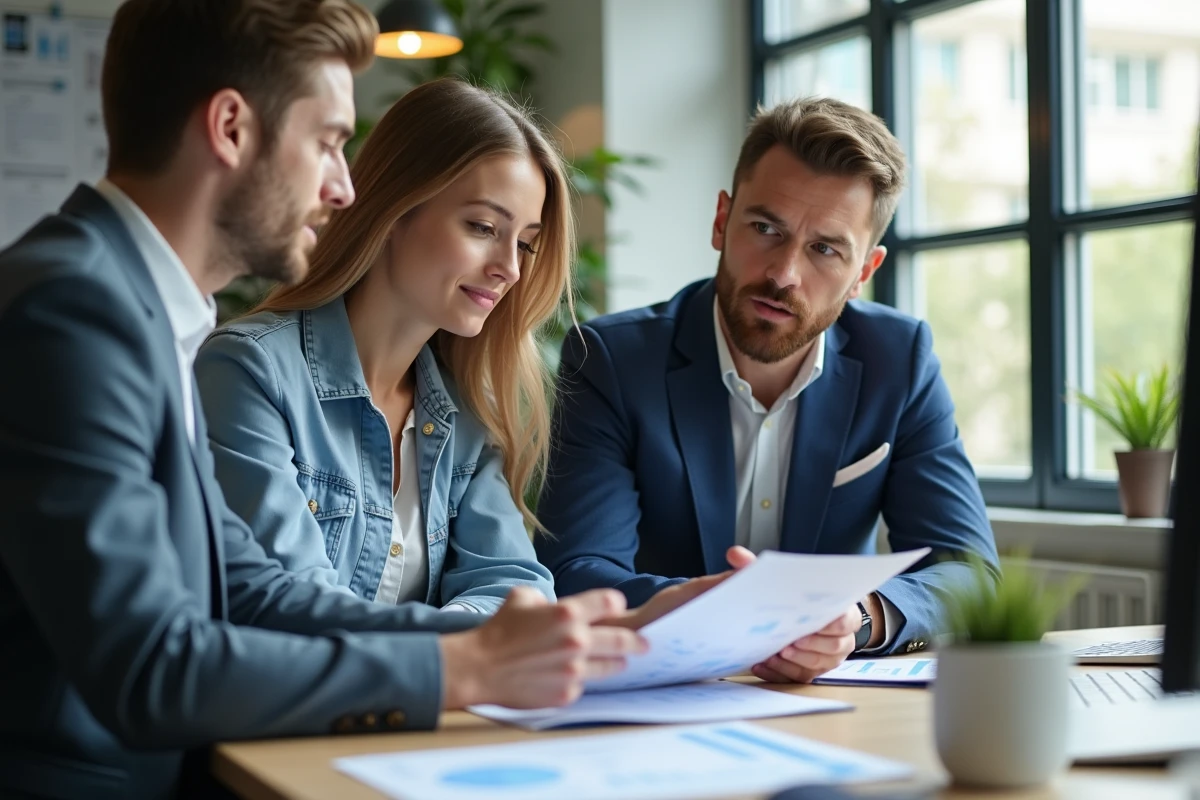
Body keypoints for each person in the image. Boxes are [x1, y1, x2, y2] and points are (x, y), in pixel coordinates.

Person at [0, 4, 654, 797]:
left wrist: (536, 643)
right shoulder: (75, 311)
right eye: (329, 142)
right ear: (231, 128)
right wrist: (464, 666)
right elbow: (151, 668)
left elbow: (255, 592)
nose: (345, 187)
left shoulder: (137, 311)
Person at [535, 96, 1000, 682]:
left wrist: (857, 618)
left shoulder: (899, 360)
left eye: (825, 249)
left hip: (830, 701)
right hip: (663, 691)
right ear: (721, 221)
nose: (784, 274)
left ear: (864, 272)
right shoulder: (612, 360)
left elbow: (969, 572)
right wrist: (727, 615)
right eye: (765, 229)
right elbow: (574, 571)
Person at [194, 79, 563, 614]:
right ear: (395, 210)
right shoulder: (249, 373)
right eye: (483, 227)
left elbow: (516, 591)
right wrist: (475, 645)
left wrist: (485, 638)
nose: (509, 268)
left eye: (526, 243)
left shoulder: (464, 415)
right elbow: (292, 608)